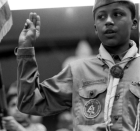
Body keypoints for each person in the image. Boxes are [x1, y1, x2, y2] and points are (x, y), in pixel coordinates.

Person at [15, 0, 139, 130]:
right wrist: (25, 49)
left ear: (134, 23)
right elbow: (28, 102)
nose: (108, 21)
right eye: (101, 16)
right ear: (96, 28)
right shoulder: (78, 71)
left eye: (117, 14)